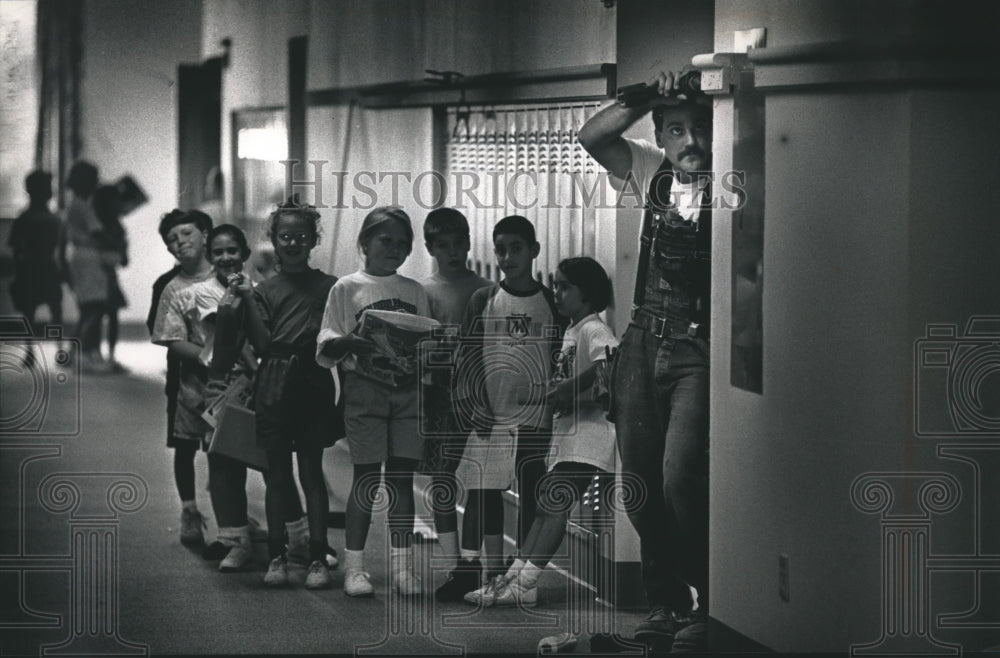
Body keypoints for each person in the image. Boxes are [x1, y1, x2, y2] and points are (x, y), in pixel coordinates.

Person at [578, 70, 712, 652]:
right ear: (661, 134)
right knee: (637, 483)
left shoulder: (734, 182)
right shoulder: (648, 169)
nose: (690, 143)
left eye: (700, 129)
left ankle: (711, 599)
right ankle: (665, 602)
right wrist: (642, 97)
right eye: (676, 130)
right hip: (642, 338)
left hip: (699, 347)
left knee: (681, 476)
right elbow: (592, 136)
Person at [472, 257, 618, 628]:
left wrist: (571, 390)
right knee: (542, 503)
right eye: (555, 284)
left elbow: (610, 366)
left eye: (564, 286)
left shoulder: (593, 330)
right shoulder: (572, 330)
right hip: (568, 439)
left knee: (552, 504)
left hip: (590, 439)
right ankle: (515, 579)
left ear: (587, 293)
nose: (557, 292)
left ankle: (528, 580)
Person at [317, 206, 432, 598]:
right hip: (364, 392)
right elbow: (327, 341)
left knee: (401, 480)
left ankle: (403, 568)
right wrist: (350, 341)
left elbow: (426, 340)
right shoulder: (347, 288)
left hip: (408, 392)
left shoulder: (414, 290)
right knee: (366, 479)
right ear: (365, 242)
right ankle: (356, 568)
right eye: (386, 240)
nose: (395, 249)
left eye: (403, 243)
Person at [457, 215, 567, 604]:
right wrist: (475, 404)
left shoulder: (553, 303)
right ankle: (491, 571)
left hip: (536, 420)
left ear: (534, 250)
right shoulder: (483, 300)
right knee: (486, 494)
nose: (507, 257)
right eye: (500, 250)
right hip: (492, 417)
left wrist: (555, 405)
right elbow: (467, 358)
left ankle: (523, 578)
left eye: (516, 248)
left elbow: (562, 360)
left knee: (532, 496)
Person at [242, 200, 342, 589]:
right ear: (274, 240)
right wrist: (249, 300)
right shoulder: (265, 291)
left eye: (302, 236)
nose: (294, 242)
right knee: (277, 476)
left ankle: (317, 556)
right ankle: (278, 556)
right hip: (274, 383)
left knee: (312, 472)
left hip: (313, 381)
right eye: (286, 236)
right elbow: (264, 344)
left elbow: (337, 343)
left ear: (314, 239)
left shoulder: (331, 286)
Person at [418, 208, 492, 602]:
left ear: (468, 243)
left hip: (479, 394)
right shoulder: (423, 291)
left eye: (458, 243)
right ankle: (454, 565)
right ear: (430, 247)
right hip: (439, 394)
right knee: (442, 478)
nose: (452, 251)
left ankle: (472, 560)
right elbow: (418, 348)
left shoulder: (487, 289)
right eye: (442, 245)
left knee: (480, 479)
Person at [150, 209, 215, 546]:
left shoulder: (229, 275)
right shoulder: (167, 286)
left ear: (205, 234)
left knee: (229, 449)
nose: (180, 243)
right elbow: (165, 336)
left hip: (233, 383)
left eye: (186, 234)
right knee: (185, 447)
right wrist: (208, 357)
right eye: (172, 240)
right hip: (186, 383)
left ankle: (233, 511)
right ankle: (189, 510)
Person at [62, 160, 108, 372]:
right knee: (95, 307)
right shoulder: (82, 205)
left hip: (79, 257)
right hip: (87, 257)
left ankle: (74, 352)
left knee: (87, 308)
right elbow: (97, 232)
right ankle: (80, 352)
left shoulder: (75, 203)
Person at [9, 170, 63, 334]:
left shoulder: (24, 218)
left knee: (29, 311)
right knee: (55, 309)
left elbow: (16, 249)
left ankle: (30, 347)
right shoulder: (53, 219)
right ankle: (58, 346)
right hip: (46, 266)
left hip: (29, 267)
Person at [91, 184, 128, 373]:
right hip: (98, 274)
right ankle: (99, 355)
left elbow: (124, 258)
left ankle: (110, 356)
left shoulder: (115, 225)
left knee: (110, 315)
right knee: (98, 316)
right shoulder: (100, 224)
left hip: (108, 274)